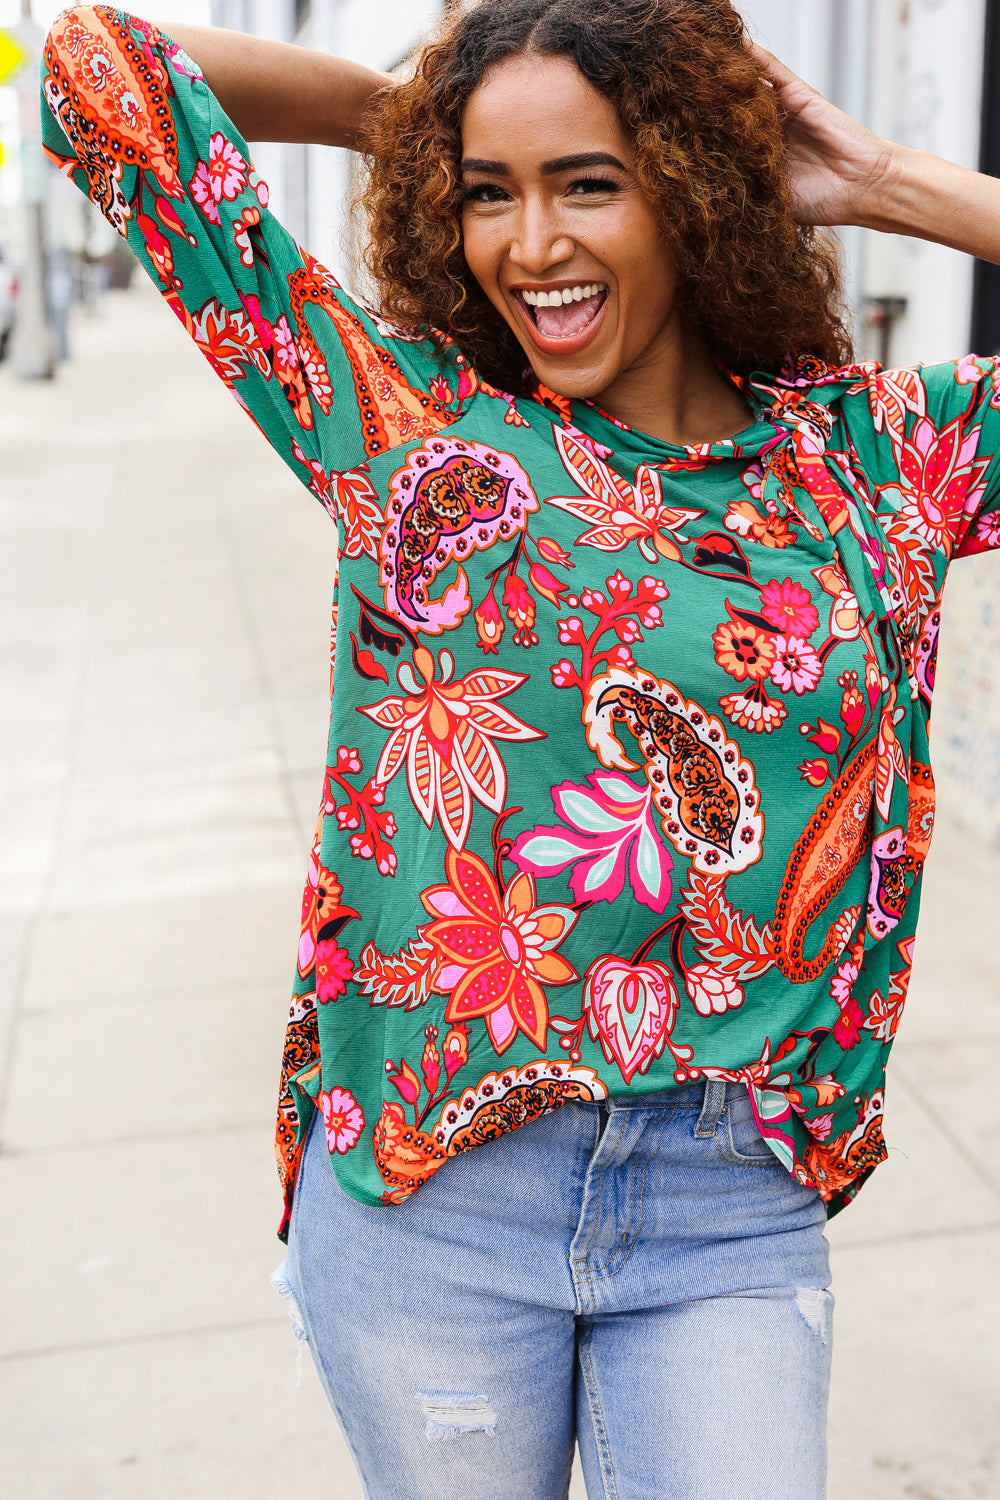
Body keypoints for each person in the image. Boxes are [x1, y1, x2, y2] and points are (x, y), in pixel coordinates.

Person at [39, 3, 1000, 1495]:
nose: (529, 244)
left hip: (727, 1198)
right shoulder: (407, 426)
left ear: (689, 187)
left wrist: (887, 183)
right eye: (494, 195)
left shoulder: (880, 458)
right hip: (438, 1200)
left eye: (591, 183)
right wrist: (414, 134)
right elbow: (101, 68)